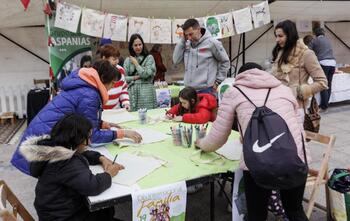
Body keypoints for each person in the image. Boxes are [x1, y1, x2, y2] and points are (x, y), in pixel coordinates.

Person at [195, 63, 309, 221]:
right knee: (295, 210)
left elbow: (218, 137)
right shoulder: (284, 89)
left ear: (239, 77)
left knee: (256, 214)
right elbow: (298, 126)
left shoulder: (234, 92)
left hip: (258, 164)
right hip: (295, 158)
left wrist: (201, 143)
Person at [11, 60, 142, 175]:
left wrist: (102, 124)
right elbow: (92, 136)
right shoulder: (90, 95)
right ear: (102, 78)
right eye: (112, 83)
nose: (113, 87)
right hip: (41, 144)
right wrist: (122, 133)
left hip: (37, 136)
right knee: (53, 185)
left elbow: (80, 116)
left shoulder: (84, 86)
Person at [19, 113, 123, 221]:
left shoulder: (53, 148)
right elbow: (93, 186)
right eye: (87, 138)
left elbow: (80, 154)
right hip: (65, 217)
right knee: (106, 209)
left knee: (106, 211)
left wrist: (101, 158)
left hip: (54, 212)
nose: (89, 142)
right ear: (77, 139)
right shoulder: (65, 163)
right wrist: (109, 173)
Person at [271, 20, 327, 123]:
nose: (277, 39)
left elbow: (322, 82)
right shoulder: (280, 53)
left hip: (295, 107)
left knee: (295, 138)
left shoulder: (306, 54)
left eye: (280, 36)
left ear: (290, 35)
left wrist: (301, 91)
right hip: (278, 105)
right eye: (276, 36)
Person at [173, 18, 230, 94]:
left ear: (198, 29)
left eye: (191, 34)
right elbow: (176, 60)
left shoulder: (212, 43)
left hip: (206, 90)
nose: (189, 38)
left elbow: (225, 62)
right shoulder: (186, 44)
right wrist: (182, 40)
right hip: (189, 90)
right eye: (186, 35)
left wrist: (218, 81)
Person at [124, 33, 157, 111]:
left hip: (146, 92)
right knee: (133, 117)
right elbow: (124, 78)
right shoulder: (128, 60)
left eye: (140, 44)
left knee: (147, 115)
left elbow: (146, 74)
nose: (138, 47)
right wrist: (136, 77)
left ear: (143, 45)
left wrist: (136, 64)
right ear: (131, 46)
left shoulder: (149, 58)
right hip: (132, 92)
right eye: (135, 45)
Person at [308, 27, 336, 112]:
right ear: (323, 33)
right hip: (333, 63)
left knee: (323, 84)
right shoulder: (328, 40)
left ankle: (324, 106)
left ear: (315, 34)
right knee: (329, 84)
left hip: (324, 63)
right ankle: (326, 105)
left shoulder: (315, 40)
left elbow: (307, 50)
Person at [99, 44, 130, 110]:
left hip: (116, 110)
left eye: (117, 58)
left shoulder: (120, 70)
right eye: (114, 59)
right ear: (104, 58)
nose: (117, 61)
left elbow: (123, 89)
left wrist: (126, 103)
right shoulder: (98, 72)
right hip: (102, 111)